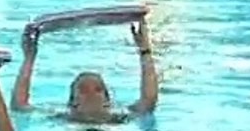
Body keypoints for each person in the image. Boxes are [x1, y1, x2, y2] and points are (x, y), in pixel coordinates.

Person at [10, 18, 158, 123]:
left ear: (107, 101)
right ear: (72, 103)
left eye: (97, 89)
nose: (91, 95)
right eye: (83, 90)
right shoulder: (65, 118)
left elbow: (149, 100)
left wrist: (145, 50)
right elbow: (19, 106)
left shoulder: (119, 118)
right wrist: (29, 57)